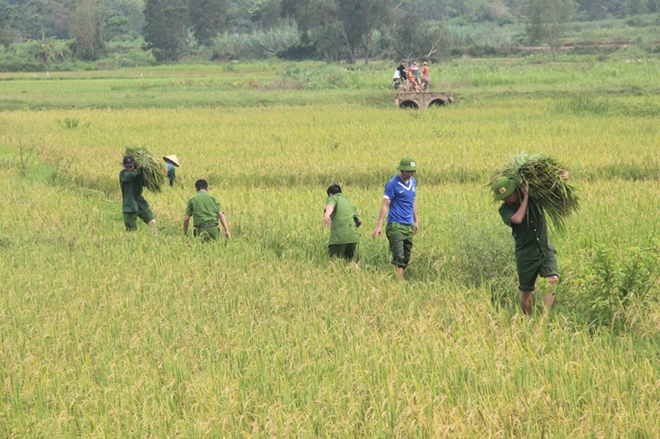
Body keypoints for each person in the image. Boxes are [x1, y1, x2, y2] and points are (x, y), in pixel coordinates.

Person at [493, 170, 569, 315]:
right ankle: (529, 320)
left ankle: (543, 319)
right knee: (526, 291)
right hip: (526, 254)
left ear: (515, 188)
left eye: (510, 194)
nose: (509, 199)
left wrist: (562, 179)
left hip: (545, 248)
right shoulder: (505, 210)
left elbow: (553, 194)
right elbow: (517, 219)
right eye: (505, 197)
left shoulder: (536, 196)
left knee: (553, 279)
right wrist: (526, 197)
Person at [372, 158, 418, 281]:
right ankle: (399, 283)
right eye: (408, 172)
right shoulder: (392, 184)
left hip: (408, 225)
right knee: (398, 255)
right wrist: (379, 226)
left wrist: (416, 220)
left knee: (406, 256)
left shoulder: (413, 182)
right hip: (395, 225)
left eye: (412, 172)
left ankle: (399, 278)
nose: (410, 174)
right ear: (402, 171)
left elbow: (412, 201)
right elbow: (385, 205)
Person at [324, 184, 362, 270]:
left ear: (330, 194)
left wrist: (327, 215)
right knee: (350, 260)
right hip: (353, 238)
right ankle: (359, 277)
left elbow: (330, 205)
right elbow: (359, 221)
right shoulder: (350, 203)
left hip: (338, 238)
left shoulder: (333, 198)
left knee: (333, 262)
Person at [119, 155, 157, 233]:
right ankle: (132, 242)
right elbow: (131, 175)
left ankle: (155, 238)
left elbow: (145, 182)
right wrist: (139, 169)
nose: (129, 168)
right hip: (129, 206)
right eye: (127, 167)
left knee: (152, 221)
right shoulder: (123, 174)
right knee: (131, 230)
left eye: (131, 166)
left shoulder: (139, 174)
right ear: (124, 166)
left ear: (134, 165)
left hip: (140, 203)